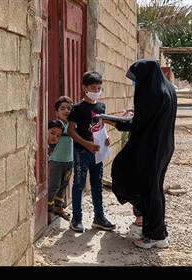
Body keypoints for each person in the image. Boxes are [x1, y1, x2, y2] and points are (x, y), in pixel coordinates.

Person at [104, 59, 177, 249]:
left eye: (136, 80)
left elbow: (137, 125)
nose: (135, 84)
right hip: (164, 146)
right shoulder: (167, 89)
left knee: (148, 190)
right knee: (155, 189)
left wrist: (111, 121)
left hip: (151, 148)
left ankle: (154, 236)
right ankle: (159, 231)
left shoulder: (153, 94)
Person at [67, 70, 115, 232]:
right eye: (93, 87)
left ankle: (99, 218)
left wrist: (106, 138)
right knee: (79, 185)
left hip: (98, 152)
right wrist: (86, 144)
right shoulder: (78, 108)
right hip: (82, 152)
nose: (96, 90)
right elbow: (71, 131)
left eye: (98, 87)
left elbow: (101, 125)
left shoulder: (101, 106)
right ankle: (76, 219)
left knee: (97, 185)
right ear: (84, 88)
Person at [47, 96, 74, 225]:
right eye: (62, 108)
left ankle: (59, 207)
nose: (66, 111)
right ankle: (48, 210)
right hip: (56, 160)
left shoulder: (73, 125)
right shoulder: (56, 125)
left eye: (69, 108)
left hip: (69, 161)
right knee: (54, 185)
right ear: (56, 112)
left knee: (63, 185)